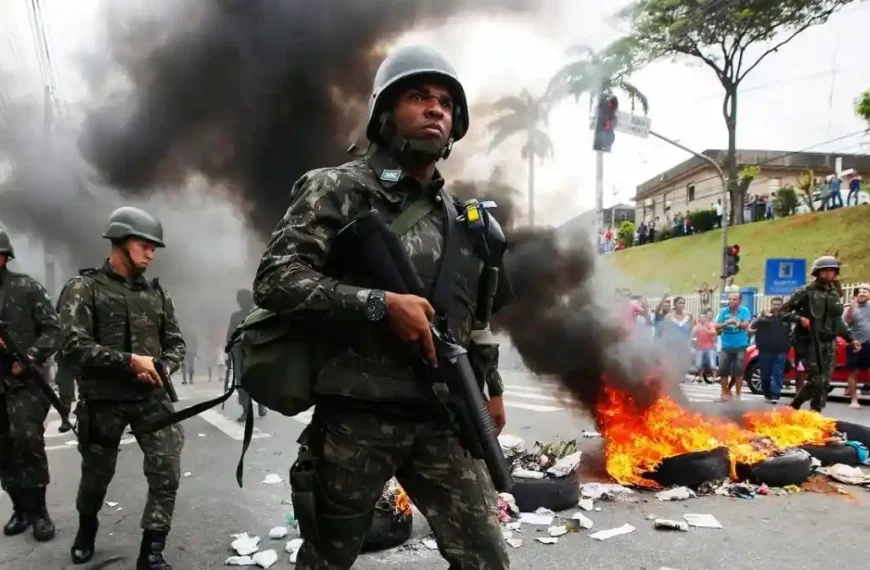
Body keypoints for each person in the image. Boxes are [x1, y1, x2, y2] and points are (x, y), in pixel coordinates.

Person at [253, 45, 511, 569]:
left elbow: (473, 318)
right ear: (385, 113)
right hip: (357, 420)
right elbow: (276, 279)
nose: (435, 108)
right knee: (326, 558)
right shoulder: (337, 188)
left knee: (486, 556)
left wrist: (491, 389)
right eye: (418, 96)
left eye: (444, 101)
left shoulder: (463, 218)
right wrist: (378, 304)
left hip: (442, 417)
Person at [57, 207, 186, 569]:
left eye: (154, 247)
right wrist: (130, 362)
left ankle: (152, 551)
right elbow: (72, 344)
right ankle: (87, 527)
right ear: (120, 241)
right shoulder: (83, 288)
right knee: (96, 477)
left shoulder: (158, 295)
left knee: (167, 473)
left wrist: (161, 368)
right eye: (144, 244)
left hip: (152, 400)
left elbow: (176, 343)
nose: (151, 252)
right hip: (103, 403)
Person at [0, 229, 61, 542]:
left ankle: (39, 512)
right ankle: (20, 508)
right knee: (4, 450)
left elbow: (53, 330)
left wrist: (30, 357)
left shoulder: (26, 289)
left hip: (25, 384)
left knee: (28, 443)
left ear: (3, 256)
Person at [781, 256, 861, 412]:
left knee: (824, 381)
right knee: (817, 378)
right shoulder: (805, 291)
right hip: (808, 340)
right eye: (825, 271)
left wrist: (850, 338)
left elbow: (837, 320)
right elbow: (782, 312)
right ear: (817, 272)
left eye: (832, 271)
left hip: (828, 340)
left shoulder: (835, 293)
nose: (829, 274)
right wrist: (799, 318)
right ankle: (815, 411)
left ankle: (794, 406)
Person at [227, 289, 267, 421]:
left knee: (259, 381)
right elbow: (230, 336)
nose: (242, 303)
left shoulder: (259, 314)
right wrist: (229, 354)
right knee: (241, 382)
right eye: (240, 300)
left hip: (256, 352)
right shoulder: (235, 317)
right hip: (239, 352)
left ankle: (262, 403)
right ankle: (246, 410)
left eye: (244, 300)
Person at [748, 297, 791, 403]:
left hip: (780, 350)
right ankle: (767, 393)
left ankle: (775, 394)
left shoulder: (785, 318)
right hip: (765, 350)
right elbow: (752, 326)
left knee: (777, 373)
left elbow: (789, 333)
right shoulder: (764, 318)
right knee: (765, 375)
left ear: (782, 306)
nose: (776, 306)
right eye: (774, 304)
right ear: (771, 305)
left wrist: (787, 347)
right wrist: (762, 317)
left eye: (778, 304)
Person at [715, 292, 751, 401]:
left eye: (734, 299)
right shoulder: (723, 311)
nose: (731, 301)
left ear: (740, 301)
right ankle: (724, 392)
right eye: (730, 299)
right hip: (726, 346)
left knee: (739, 370)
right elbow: (716, 326)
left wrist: (736, 323)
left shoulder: (744, 310)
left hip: (740, 345)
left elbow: (746, 324)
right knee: (723, 370)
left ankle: (738, 395)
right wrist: (726, 323)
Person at [843, 284, 870, 408]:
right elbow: (848, 320)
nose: (862, 293)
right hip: (855, 343)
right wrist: (852, 306)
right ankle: (854, 400)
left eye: (865, 291)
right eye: (860, 291)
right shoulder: (851, 308)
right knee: (854, 372)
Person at [692, 313, 718, 384]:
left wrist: (705, 329)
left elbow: (714, 332)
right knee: (699, 364)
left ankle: (714, 378)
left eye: (703, 317)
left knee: (712, 364)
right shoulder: (697, 326)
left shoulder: (710, 325)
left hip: (709, 347)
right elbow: (693, 334)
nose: (702, 318)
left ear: (706, 318)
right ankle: (700, 378)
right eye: (700, 317)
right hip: (699, 347)